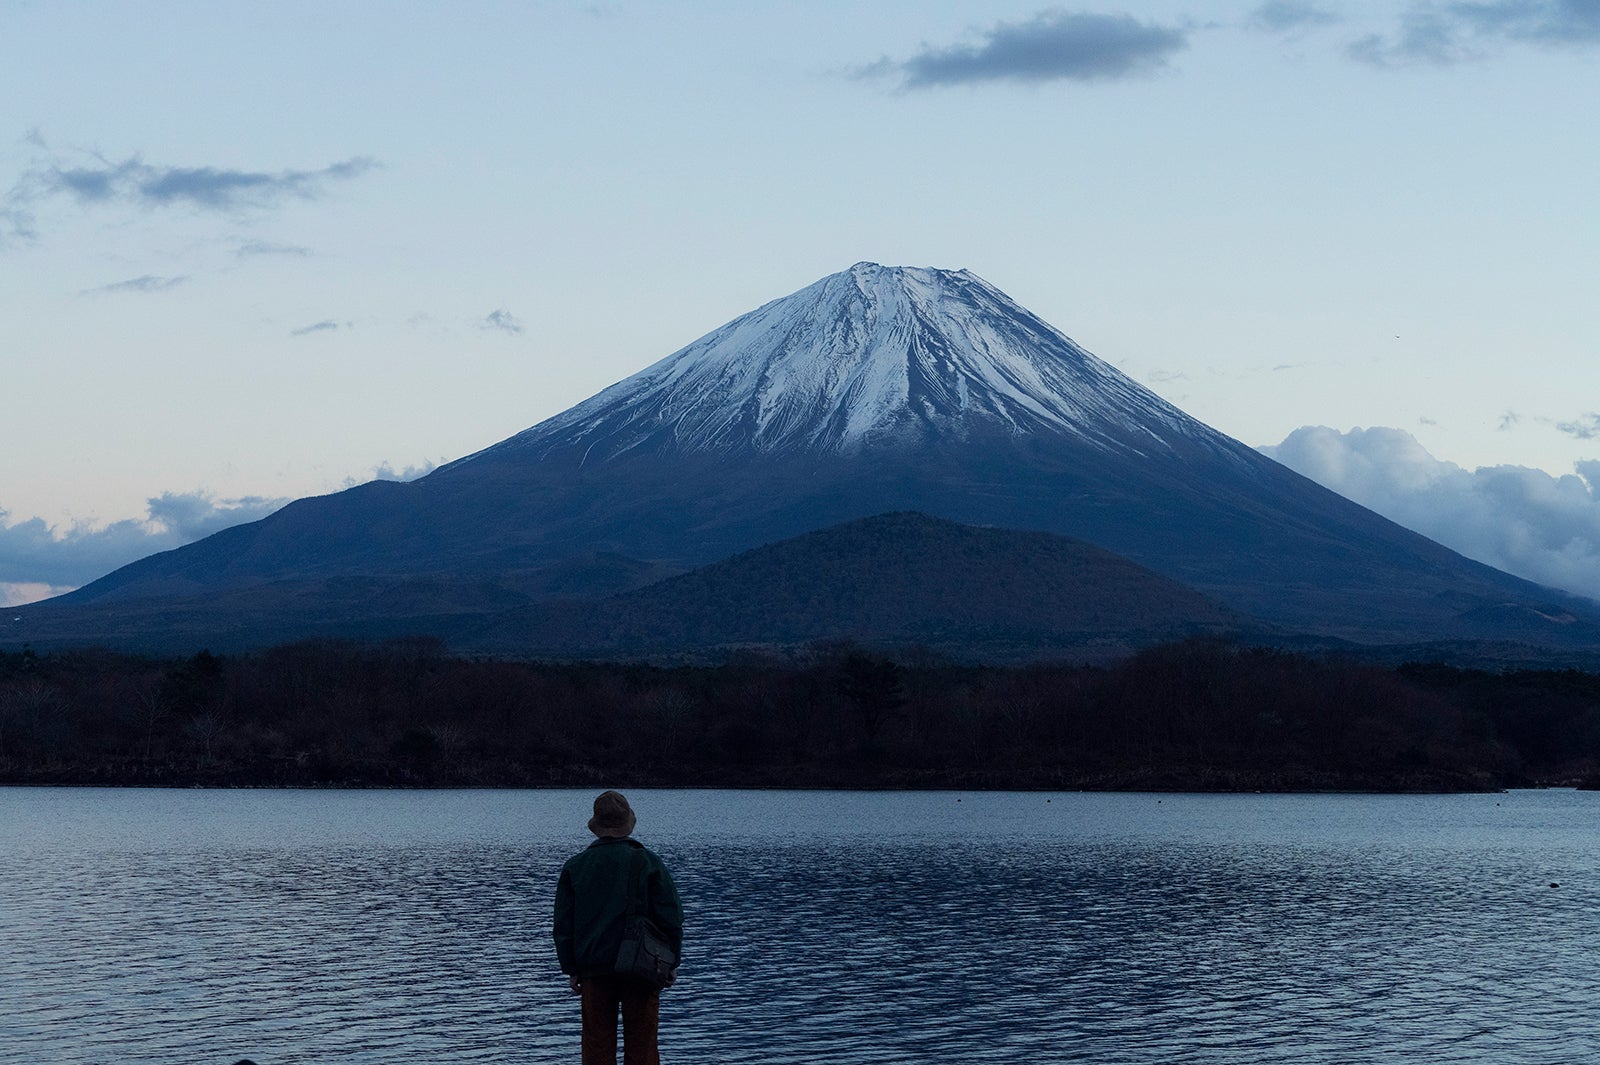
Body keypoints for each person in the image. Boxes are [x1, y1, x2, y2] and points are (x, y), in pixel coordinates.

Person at [553, 790, 684, 1065]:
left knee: (596, 1049)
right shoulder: (648, 862)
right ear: (628, 823)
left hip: (593, 970)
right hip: (643, 967)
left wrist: (571, 968)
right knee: (643, 1048)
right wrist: (671, 963)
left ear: (597, 826)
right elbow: (671, 916)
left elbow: (563, 925)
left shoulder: (575, 867)